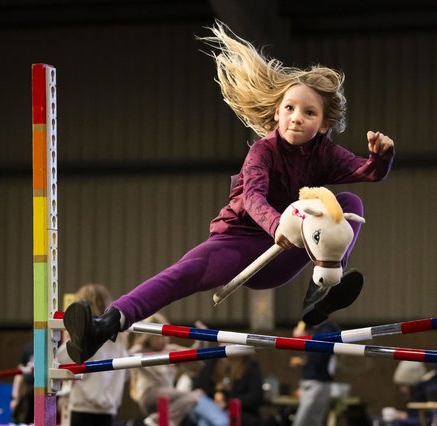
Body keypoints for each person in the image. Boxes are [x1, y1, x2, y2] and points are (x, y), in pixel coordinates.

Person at [64, 20, 395, 365]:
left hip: (285, 254)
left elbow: (366, 173)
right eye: (290, 109)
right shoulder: (263, 151)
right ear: (276, 114)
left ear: (324, 124)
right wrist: (278, 225)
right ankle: (105, 326)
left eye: (309, 113)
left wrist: (382, 156)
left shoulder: (325, 152)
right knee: (182, 273)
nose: (297, 118)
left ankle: (324, 287)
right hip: (238, 242)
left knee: (349, 204)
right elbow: (253, 198)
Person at [58, 284, 130, 426]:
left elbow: (60, 361)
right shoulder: (119, 339)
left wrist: (68, 337)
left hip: (82, 408)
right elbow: (126, 372)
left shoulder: (84, 337)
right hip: (108, 409)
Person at [129, 313, 214, 426]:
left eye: (166, 335)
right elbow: (125, 356)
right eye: (158, 336)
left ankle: (159, 419)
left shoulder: (170, 350)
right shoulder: (139, 350)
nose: (163, 340)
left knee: (196, 397)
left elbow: (193, 356)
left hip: (168, 399)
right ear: (148, 337)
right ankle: (157, 419)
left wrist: (201, 341)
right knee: (194, 396)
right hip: (149, 394)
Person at [191, 348, 264, 426]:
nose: (224, 346)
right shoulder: (214, 362)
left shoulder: (249, 366)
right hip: (212, 406)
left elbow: (255, 396)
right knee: (198, 399)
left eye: (227, 343)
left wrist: (227, 403)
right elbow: (199, 386)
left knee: (205, 422)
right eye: (222, 343)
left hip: (237, 412)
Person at [289, 320, 339, 426]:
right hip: (319, 381)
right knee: (313, 421)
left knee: (303, 421)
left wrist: (303, 338)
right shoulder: (323, 330)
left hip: (316, 382)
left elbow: (317, 358)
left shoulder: (325, 331)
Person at [11, 342, 34, 424]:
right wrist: (15, 397)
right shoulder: (29, 347)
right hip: (27, 389)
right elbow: (19, 373)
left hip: (49, 389)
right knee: (23, 417)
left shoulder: (57, 344)